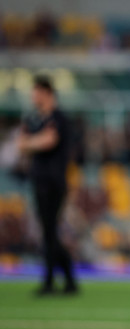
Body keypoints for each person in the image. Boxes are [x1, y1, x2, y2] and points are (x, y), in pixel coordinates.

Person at [17, 76, 78, 295]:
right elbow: (22, 143)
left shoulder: (59, 118)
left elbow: (48, 141)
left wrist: (33, 143)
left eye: (36, 92)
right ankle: (66, 280)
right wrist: (35, 142)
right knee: (48, 232)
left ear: (46, 93)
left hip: (54, 182)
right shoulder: (34, 119)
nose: (33, 97)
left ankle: (53, 281)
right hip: (39, 180)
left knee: (49, 231)